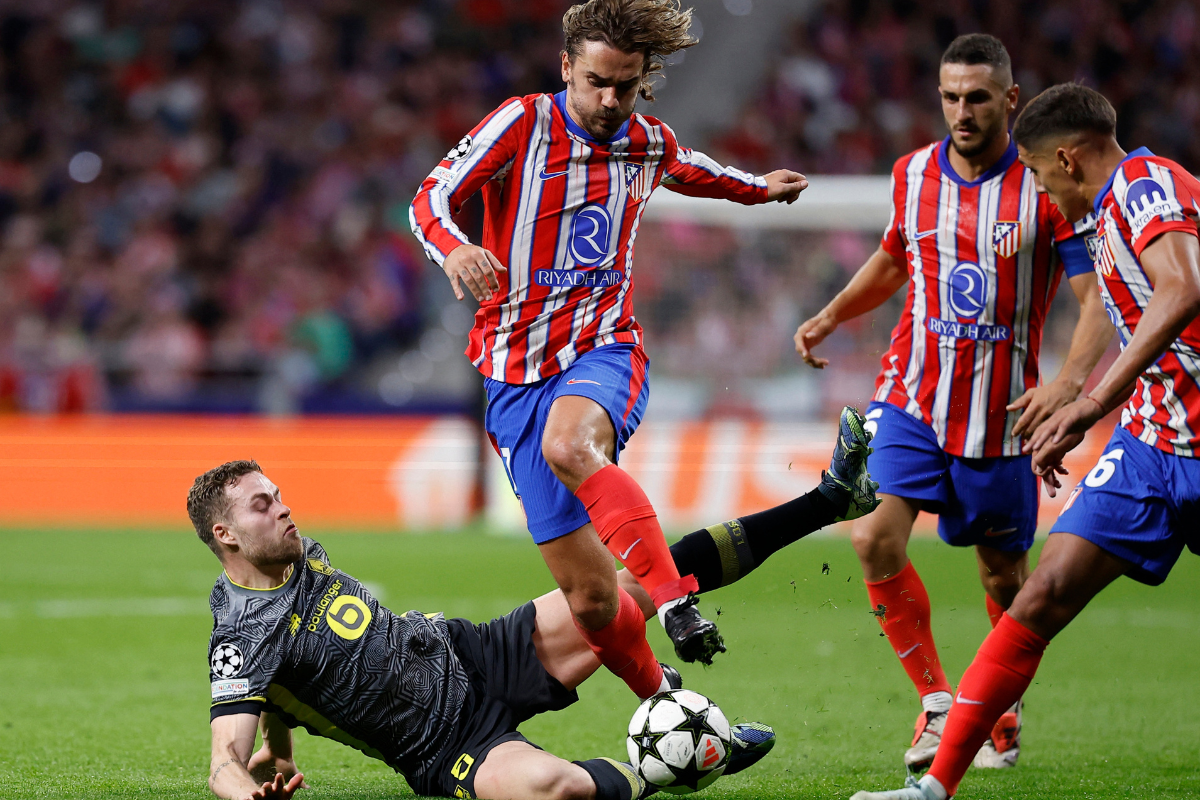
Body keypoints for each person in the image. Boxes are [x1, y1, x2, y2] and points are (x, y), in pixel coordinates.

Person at [409, 0, 811, 701]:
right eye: (595, 81)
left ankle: (675, 600)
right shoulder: (524, 122)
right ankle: (669, 704)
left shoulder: (646, 140)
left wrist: (760, 191)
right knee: (592, 601)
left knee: (572, 446)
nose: (608, 100)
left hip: (603, 349)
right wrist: (456, 248)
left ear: (642, 79)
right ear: (566, 66)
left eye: (625, 85)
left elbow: (697, 170)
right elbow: (430, 198)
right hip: (512, 375)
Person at [196, 408, 880, 800]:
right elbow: (224, 757)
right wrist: (249, 789)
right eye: (264, 505)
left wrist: (281, 754)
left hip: (475, 651)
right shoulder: (238, 638)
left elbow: (281, 695)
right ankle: (677, 760)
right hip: (444, 747)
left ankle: (828, 501)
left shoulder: (292, 549)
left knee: (614, 586)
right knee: (554, 791)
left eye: (279, 493)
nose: (284, 507)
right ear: (225, 535)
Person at [851, 82, 1200, 800]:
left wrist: (1092, 397)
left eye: (1039, 173)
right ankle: (934, 788)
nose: (1039, 189)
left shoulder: (1144, 185)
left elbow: (1182, 288)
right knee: (1038, 596)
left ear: (1067, 160)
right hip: (1151, 447)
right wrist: (1076, 403)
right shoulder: (1108, 216)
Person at [792, 34, 1113, 772]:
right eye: (949, 97)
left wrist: (1069, 384)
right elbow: (896, 258)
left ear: (1009, 100)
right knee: (872, 536)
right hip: (911, 394)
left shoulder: (1042, 188)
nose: (960, 112)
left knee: (1005, 576)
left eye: (975, 98)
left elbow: (1093, 291)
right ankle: (938, 703)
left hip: (1000, 417)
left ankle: (998, 705)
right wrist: (836, 313)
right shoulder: (912, 174)